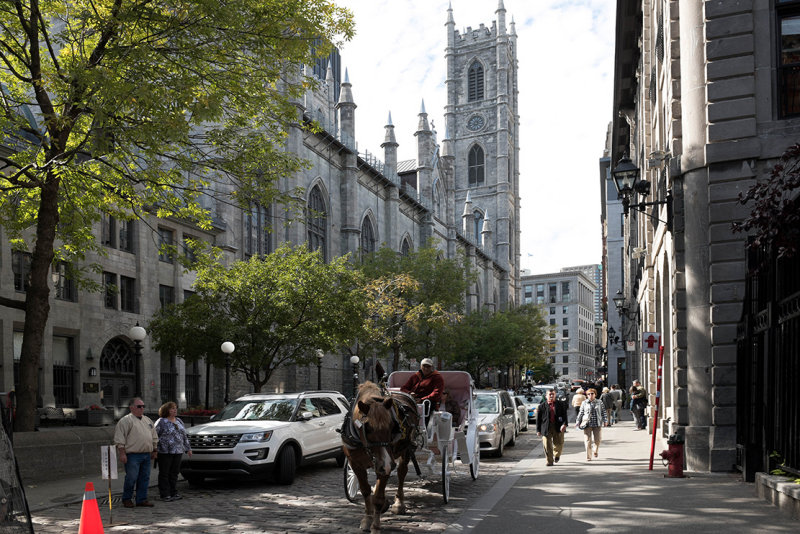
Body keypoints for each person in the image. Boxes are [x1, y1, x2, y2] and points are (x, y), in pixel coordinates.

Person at [114, 397, 158, 508]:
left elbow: (154, 436)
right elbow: (120, 439)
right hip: (133, 454)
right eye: (139, 406)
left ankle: (141, 499)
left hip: (146, 454)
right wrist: (122, 453)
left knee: (145, 477)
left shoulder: (147, 420)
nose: (142, 408)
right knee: (131, 477)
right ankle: (127, 498)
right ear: (131, 407)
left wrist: (155, 449)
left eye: (143, 406)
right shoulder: (125, 421)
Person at [154, 402, 192, 502]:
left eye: (175, 408)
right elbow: (154, 436)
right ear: (166, 410)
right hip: (165, 451)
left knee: (174, 473)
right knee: (164, 473)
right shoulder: (161, 422)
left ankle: (173, 492)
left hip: (178, 451)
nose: (175, 410)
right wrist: (154, 449)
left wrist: (188, 448)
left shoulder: (179, 421)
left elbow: (184, 436)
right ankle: (165, 493)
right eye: (172, 409)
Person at [536, 389, 568, 466]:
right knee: (547, 445)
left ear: (555, 395)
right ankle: (549, 461)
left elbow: (564, 416)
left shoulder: (561, 404)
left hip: (558, 426)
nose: (551, 396)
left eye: (553, 394)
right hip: (546, 427)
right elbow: (538, 419)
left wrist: (564, 424)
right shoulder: (541, 406)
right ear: (546, 396)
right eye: (549, 394)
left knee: (559, 443)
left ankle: (557, 455)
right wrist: (538, 430)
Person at [576, 388, 608, 461]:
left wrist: (605, 420)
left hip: (597, 424)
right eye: (588, 394)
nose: (590, 395)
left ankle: (595, 450)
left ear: (595, 394)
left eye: (592, 394)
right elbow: (581, 413)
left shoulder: (599, 402)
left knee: (598, 440)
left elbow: (603, 412)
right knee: (587, 441)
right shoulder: (584, 403)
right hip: (587, 424)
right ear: (587, 395)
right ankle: (589, 456)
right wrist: (578, 421)